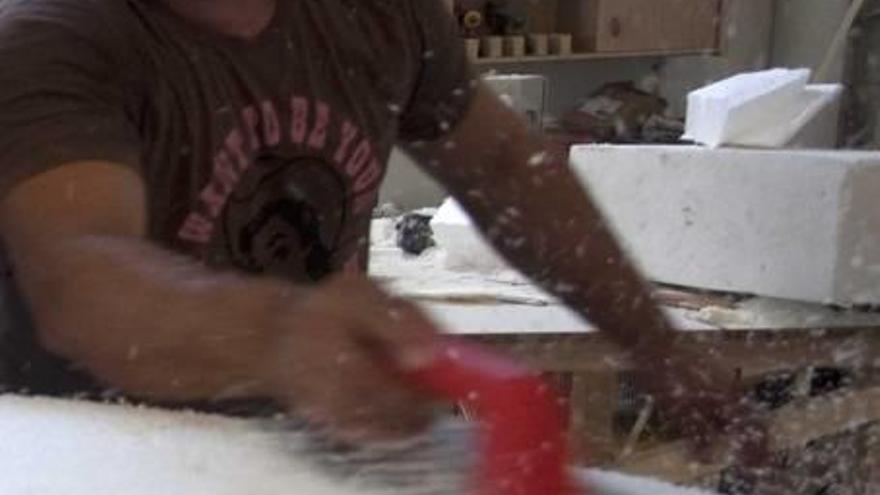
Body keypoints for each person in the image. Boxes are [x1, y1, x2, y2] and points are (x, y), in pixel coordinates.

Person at [0, 0, 762, 454]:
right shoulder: (51, 34)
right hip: (96, 453)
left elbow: (502, 168)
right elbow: (84, 277)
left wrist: (655, 341)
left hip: (306, 443)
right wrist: (279, 335)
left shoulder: (373, 12)